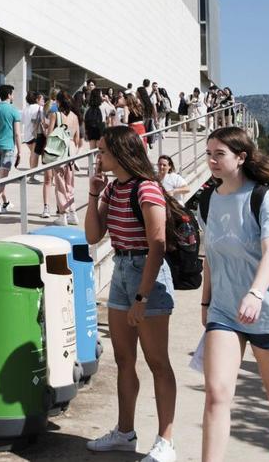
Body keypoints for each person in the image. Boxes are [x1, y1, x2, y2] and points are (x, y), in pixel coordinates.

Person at [198, 126, 269, 462]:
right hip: (225, 312)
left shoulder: (262, 197)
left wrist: (255, 294)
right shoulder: (207, 200)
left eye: (219, 154)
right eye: (209, 153)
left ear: (240, 157)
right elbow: (211, 255)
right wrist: (206, 299)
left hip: (268, 311)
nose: (212, 160)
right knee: (216, 394)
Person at [84, 126, 177, 462]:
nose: (99, 157)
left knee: (157, 362)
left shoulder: (147, 189)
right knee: (124, 359)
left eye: (104, 151)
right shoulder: (112, 188)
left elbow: (158, 245)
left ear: (121, 153)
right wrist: (94, 194)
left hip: (146, 275)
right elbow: (94, 236)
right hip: (121, 271)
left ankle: (165, 440)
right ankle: (125, 432)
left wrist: (142, 297)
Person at [0, 84, 22, 214]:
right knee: (3, 177)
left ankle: (5, 202)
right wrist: (20, 151)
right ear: (8, 95)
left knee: (1, 176)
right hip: (8, 147)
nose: (13, 96)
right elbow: (17, 133)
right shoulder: (13, 110)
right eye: (12, 94)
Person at [49, 90, 81, 226]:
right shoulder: (75, 116)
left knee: (60, 183)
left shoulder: (55, 115)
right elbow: (77, 138)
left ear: (59, 101)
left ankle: (63, 215)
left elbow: (50, 135)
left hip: (59, 150)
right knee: (70, 183)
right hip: (71, 149)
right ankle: (73, 213)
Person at [20, 92, 53, 218]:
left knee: (32, 154)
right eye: (42, 98)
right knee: (36, 154)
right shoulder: (39, 108)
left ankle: (32, 174)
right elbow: (42, 121)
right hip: (36, 134)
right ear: (37, 99)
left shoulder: (25, 109)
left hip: (27, 135)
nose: (43, 100)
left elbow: (23, 121)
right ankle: (32, 174)